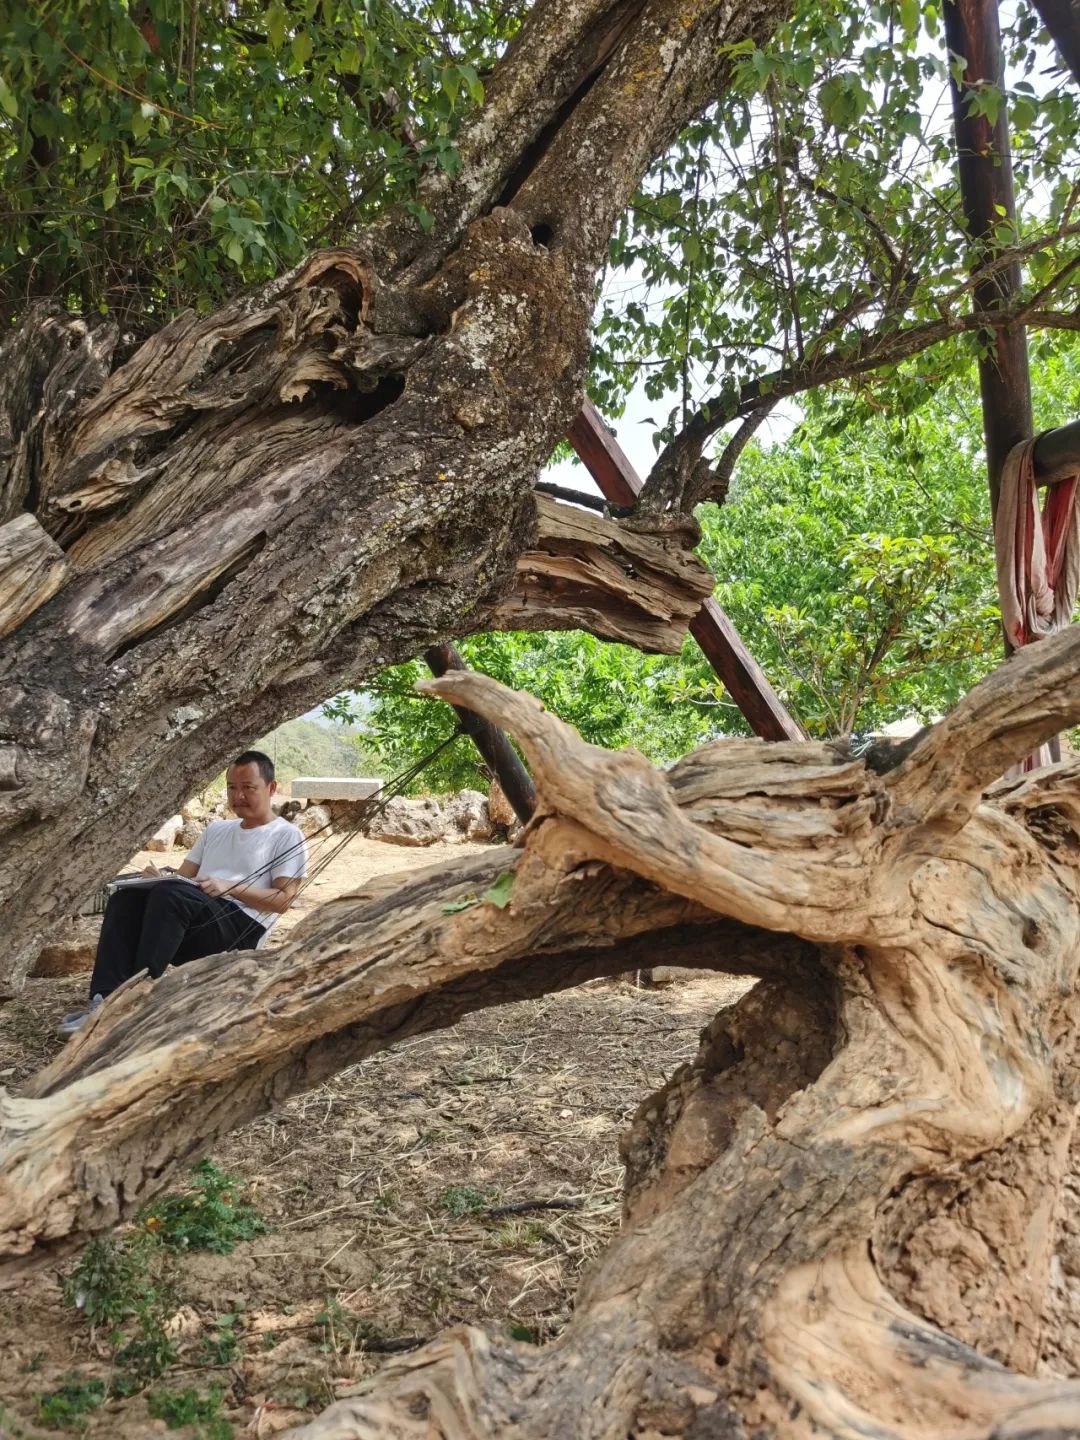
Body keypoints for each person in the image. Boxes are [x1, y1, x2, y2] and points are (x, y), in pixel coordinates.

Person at [59, 751, 307, 1035]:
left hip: (240, 928)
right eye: (232, 788)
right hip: (193, 915)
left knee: (172, 895)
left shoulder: (286, 835)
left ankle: (134, 1002)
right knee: (127, 898)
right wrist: (157, 879)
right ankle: (104, 1000)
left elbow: (283, 901)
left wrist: (232, 887)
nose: (238, 795)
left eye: (248, 787)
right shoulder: (217, 829)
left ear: (271, 788)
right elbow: (182, 879)